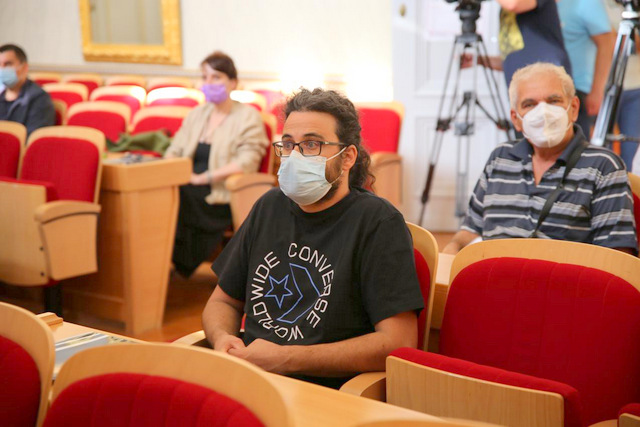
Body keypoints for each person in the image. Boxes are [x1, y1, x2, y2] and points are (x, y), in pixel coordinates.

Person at [202, 88, 423, 388]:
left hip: (325, 393)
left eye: (311, 144)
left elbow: (398, 342)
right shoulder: (269, 206)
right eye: (288, 144)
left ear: (347, 157)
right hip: (250, 377)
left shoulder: (378, 222)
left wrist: (287, 358)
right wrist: (222, 338)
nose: (294, 156)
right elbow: (223, 302)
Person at [444, 62, 637, 255]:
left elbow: (618, 256)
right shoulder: (500, 158)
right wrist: (451, 250)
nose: (543, 113)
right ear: (516, 119)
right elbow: (470, 230)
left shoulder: (603, 166)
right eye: (529, 105)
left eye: (553, 101)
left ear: (574, 108)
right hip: (493, 271)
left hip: (563, 273)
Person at [165, 51, 268, 277]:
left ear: (233, 82)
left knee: (179, 196)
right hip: (186, 183)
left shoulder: (248, 117)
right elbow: (174, 150)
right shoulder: (197, 114)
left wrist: (203, 178)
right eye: (205, 77)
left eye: (216, 77)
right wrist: (172, 171)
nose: (209, 83)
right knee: (162, 193)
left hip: (221, 191)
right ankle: (158, 261)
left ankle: (176, 260)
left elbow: (247, 162)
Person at [557, 0, 614, 136]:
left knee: (578, 143)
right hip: (547, 87)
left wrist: (597, 91)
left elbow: (607, 43)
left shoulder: (587, 3)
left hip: (578, 89)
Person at [604, 0, 640, 171]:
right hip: (606, 87)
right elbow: (603, 42)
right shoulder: (597, 5)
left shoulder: (634, 7)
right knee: (603, 147)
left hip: (635, 84)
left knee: (631, 147)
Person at [0, 44, 55, 136]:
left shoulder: (39, 98)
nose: (2, 69)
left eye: (8, 64)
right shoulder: (1, 96)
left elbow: (34, 138)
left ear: (24, 67)